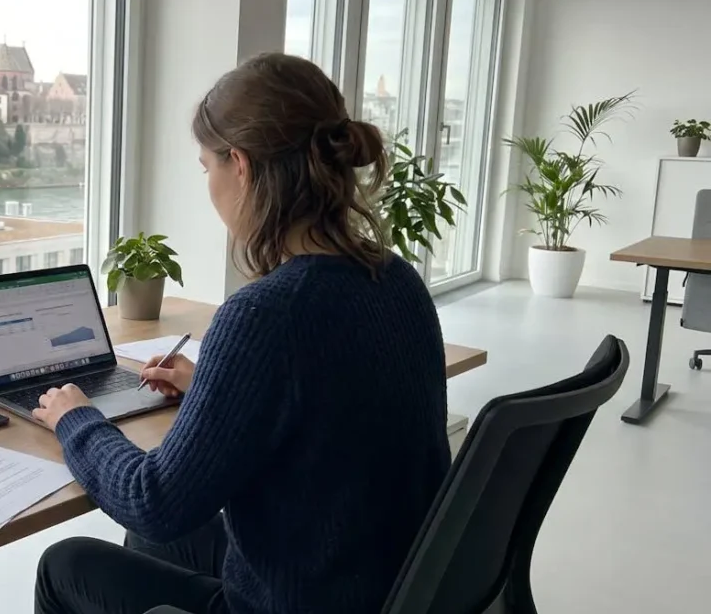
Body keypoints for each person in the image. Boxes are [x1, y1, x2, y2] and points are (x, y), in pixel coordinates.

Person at [30, 52, 450, 614]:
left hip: (296, 599)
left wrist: (75, 419)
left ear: (242, 165)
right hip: (381, 582)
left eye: (207, 167)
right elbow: (337, 405)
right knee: (156, 541)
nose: (208, 185)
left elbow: (151, 499)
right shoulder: (397, 279)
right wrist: (217, 387)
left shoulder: (265, 314)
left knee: (66, 563)